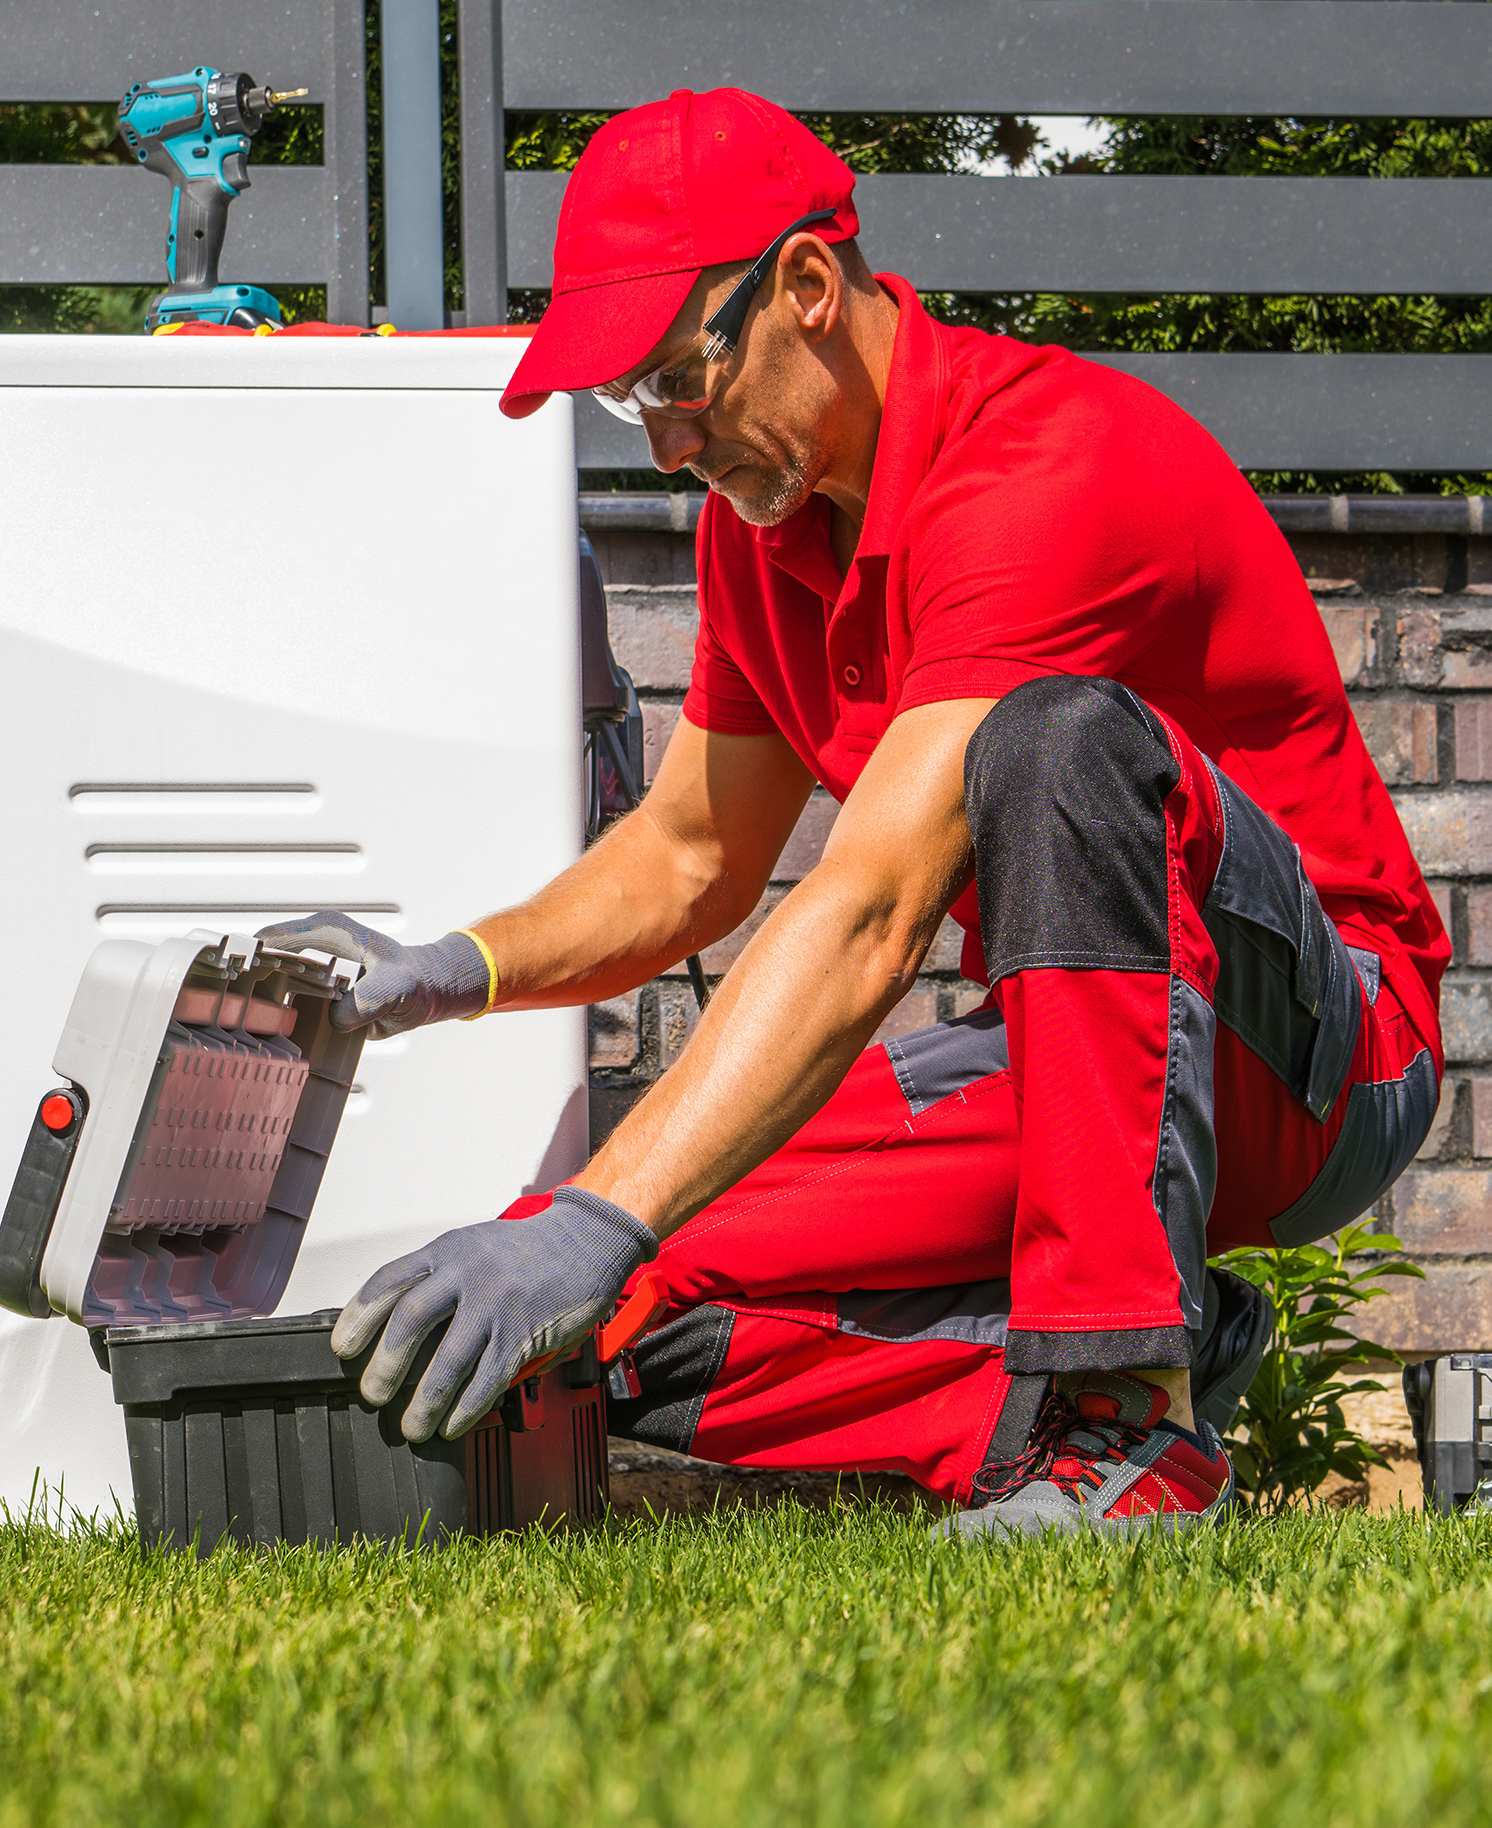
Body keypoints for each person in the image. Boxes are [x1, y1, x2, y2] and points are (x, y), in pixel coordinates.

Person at [261, 87, 1445, 1539]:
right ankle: (1107, 1369)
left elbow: (874, 905)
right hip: (1080, 1072)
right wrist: (452, 970)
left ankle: (1131, 1426)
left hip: (1320, 1054)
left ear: (809, 287)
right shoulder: (761, 534)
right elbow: (690, 855)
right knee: (608, 1303)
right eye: (629, 403)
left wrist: (600, 1209)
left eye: (677, 379)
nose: (666, 446)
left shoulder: (1043, 465)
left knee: (1056, 740)